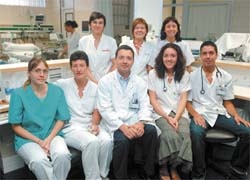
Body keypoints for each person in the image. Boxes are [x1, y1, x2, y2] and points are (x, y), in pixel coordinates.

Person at [186, 41, 250, 180]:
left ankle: (237, 169)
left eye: (211, 53)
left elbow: (227, 102)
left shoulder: (225, 76)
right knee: (196, 133)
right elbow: (188, 102)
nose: (208, 56)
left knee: (247, 132)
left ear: (216, 55)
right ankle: (199, 173)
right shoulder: (192, 77)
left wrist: (236, 116)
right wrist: (195, 115)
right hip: (200, 113)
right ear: (200, 57)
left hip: (218, 113)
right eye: (204, 53)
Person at [97, 45, 158, 179]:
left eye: (129, 58)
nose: (125, 61)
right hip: (116, 124)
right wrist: (123, 127)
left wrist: (141, 123)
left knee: (151, 132)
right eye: (121, 58)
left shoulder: (140, 82)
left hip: (135, 121)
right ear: (116, 60)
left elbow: (145, 105)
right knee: (122, 141)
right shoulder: (105, 81)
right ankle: (121, 176)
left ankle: (147, 172)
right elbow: (105, 109)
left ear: (133, 61)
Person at [8, 58, 71, 180]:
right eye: (37, 71)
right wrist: (39, 141)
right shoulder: (18, 94)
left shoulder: (56, 91)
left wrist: (48, 139)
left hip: (52, 135)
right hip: (27, 138)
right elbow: (15, 126)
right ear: (29, 73)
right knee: (39, 160)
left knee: (62, 155)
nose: (42, 75)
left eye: (45, 71)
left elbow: (62, 119)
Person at [54, 51, 112, 179]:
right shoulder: (63, 84)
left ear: (87, 67)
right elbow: (43, 87)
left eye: (81, 65)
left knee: (107, 141)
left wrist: (94, 124)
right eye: (75, 66)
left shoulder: (95, 87)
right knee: (91, 142)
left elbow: (97, 110)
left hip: (89, 124)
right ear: (71, 68)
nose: (78, 69)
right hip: (71, 128)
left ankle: (103, 175)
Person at [148, 43, 192, 180]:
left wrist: (176, 118)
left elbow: (184, 99)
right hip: (160, 112)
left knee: (184, 135)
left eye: (173, 55)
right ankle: (163, 167)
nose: (169, 59)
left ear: (178, 57)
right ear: (161, 57)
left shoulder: (184, 74)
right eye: (166, 55)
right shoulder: (153, 73)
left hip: (179, 112)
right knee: (168, 134)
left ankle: (174, 168)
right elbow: (153, 99)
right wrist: (167, 118)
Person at [79, 11, 117, 83]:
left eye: (100, 23)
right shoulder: (83, 41)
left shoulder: (111, 41)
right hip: (88, 80)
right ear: (90, 24)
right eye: (95, 22)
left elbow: (115, 64)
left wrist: (105, 80)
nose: (97, 25)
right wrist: (94, 81)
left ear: (104, 26)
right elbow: (82, 64)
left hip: (107, 81)